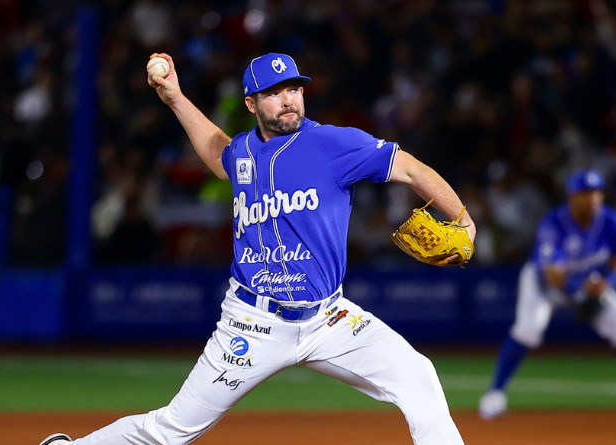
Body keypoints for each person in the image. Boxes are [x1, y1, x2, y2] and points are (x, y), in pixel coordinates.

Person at [39, 52, 475, 445]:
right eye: (274, 93)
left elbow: (412, 170)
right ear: (251, 104)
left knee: (417, 376)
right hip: (253, 322)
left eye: (294, 89)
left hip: (330, 318)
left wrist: (463, 219)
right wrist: (175, 98)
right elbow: (218, 153)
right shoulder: (243, 151)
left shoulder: (334, 145)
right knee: (173, 429)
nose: (288, 100)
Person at [478, 169, 616, 420]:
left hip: (588, 283)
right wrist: (581, 293)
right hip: (542, 284)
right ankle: (495, 394)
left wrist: (606, 283)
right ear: (571, 197)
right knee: (528, 330)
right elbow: (553, 273)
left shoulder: (610, 220)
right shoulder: (554, 223)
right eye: (585, 193)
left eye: (596, 192)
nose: (592, 198)